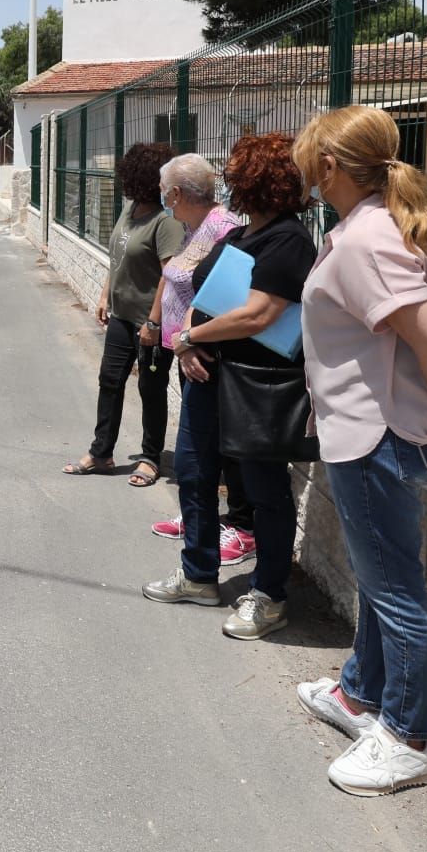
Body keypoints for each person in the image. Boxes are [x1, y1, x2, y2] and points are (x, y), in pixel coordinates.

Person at [290, 106, 427, 796]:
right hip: (373, 434)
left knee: (396, 592)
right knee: (380, 580)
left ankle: (407, 738)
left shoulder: (367, 238)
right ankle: (359, 695)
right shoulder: (376, 227)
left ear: (330, 167)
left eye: (307, 157)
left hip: (375, 439)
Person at [144, 133, 315, 643]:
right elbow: (197, 292)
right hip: (209, 377)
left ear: (257, 181)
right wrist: (189, 344)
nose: (228, 181)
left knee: (264, 490)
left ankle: (269, 595)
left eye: (236, 173)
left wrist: (190, 336)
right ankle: (198, 576)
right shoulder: (237, 236)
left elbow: (260, 315)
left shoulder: (288, 239)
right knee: (195, 474)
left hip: (256, 387)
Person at [144, 153, 259, 565]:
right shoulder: (193, 228)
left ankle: (242, 528)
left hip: (208, 354)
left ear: (176, 192)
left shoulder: (222, 229)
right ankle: (201, 517)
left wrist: (191, 341)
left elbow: (224, 298)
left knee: (224, 446)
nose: (162, 199)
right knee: (201, 447)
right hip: (187, 350)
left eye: (164, 193)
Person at [63, 142, 184, 483]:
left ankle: (150, 457)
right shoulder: (131, 210)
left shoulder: (166, 221)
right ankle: (101, 453)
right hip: (120, 316)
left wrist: (154, 322)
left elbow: (169, 275)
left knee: (151, 388)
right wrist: (104, 294)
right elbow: (116, 254)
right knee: (110, 382)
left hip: (149, 322)